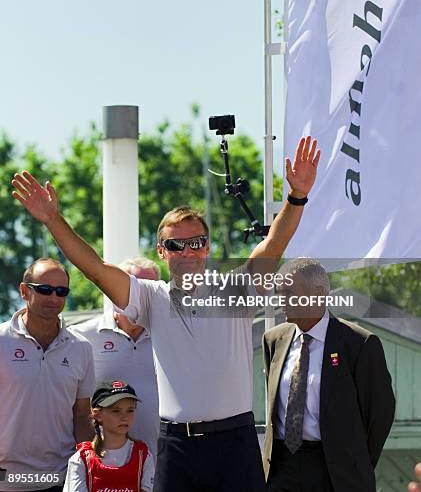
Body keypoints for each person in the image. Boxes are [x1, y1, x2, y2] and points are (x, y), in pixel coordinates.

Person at [12, 136, 320, 492]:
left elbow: (274, 244)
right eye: (176, 244)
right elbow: (95, 268)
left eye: (196, 242)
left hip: (235, 442)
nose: (188, 252)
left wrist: (296, 198)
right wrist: (52, 219)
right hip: (176, 446)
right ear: (162, 251)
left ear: (208, 247)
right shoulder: (150, 296)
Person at [262, 258, 395, 492]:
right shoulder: (273, 340)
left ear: (319, 293)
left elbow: (379, 415)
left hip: (335, 473)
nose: (281, 300)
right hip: (281, 469)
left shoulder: (360, 344)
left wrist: (355, 464)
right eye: (279, 292)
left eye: (289, 292)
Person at [0, 258, 95, 492]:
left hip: (61, 478)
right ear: (24, 291)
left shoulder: (81, 347)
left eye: (61, 291)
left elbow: (82, 416)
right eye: (45, 290)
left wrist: (88, 467)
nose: (54, 299)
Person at [72, 257, 160, 461]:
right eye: (130, 289)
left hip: (162, 464)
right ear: (111, 290)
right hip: (104, 467)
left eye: (146, 292)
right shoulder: (81, 336)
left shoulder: (171, 337)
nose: (137, 299)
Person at [63, 380, 154, 492]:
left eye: (130, 410)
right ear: (98, 415)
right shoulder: (81, 459)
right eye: (116, 411)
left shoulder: (143, 455)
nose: (124, 417)